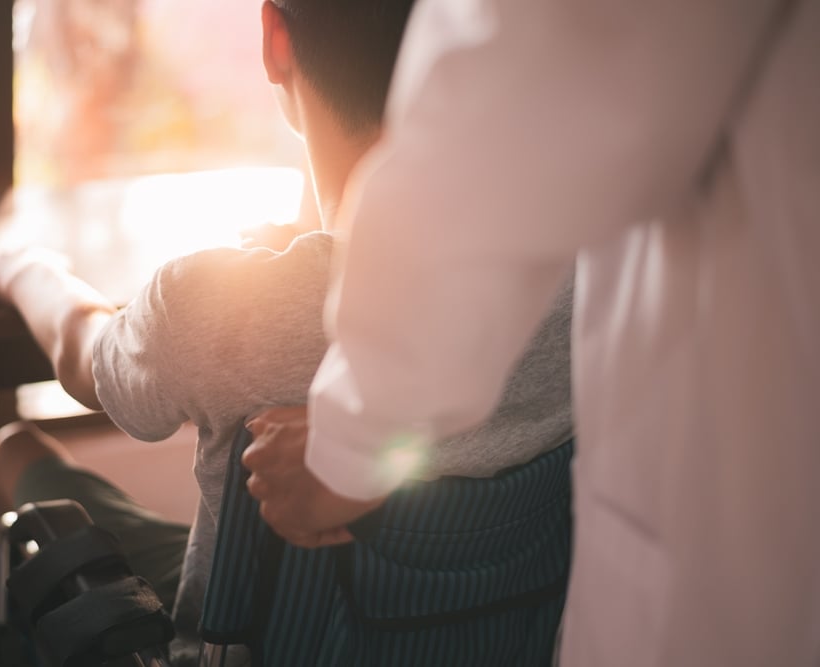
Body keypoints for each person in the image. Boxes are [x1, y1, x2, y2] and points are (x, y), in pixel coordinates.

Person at [0, 0, 572, 663]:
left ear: (275, 37)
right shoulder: (577, 274)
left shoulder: (215, 304)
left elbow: (85, 358)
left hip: (243, 644)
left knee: (17, 452)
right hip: (482, 639)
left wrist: (25, 270)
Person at [243, 1, 820, 666]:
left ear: (276, 38)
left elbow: (520, 86)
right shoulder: (566, 300)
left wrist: (354, 439)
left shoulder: (222, 306)